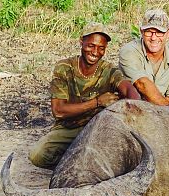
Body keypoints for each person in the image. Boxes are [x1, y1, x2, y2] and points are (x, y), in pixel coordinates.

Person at [29, 22, 140, 169]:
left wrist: (132, 107)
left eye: (101, 48)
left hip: (99, 128)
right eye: (91, 46)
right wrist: (97, 102)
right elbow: (59, 111)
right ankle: (76, 161)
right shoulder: (64, 68)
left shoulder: (109, 70)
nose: (95, 52)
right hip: (69, 128)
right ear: (81, 41)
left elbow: (129, 90)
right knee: (38, 156)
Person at [119, 8, 169, 106]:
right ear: (141, 31)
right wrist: (168, 106)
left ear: (168, 33)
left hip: (161, 112)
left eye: (159, 32)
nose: (153, 38)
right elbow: (142, 84)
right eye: (149, 32)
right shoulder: (129, 51)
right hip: (131, 109)